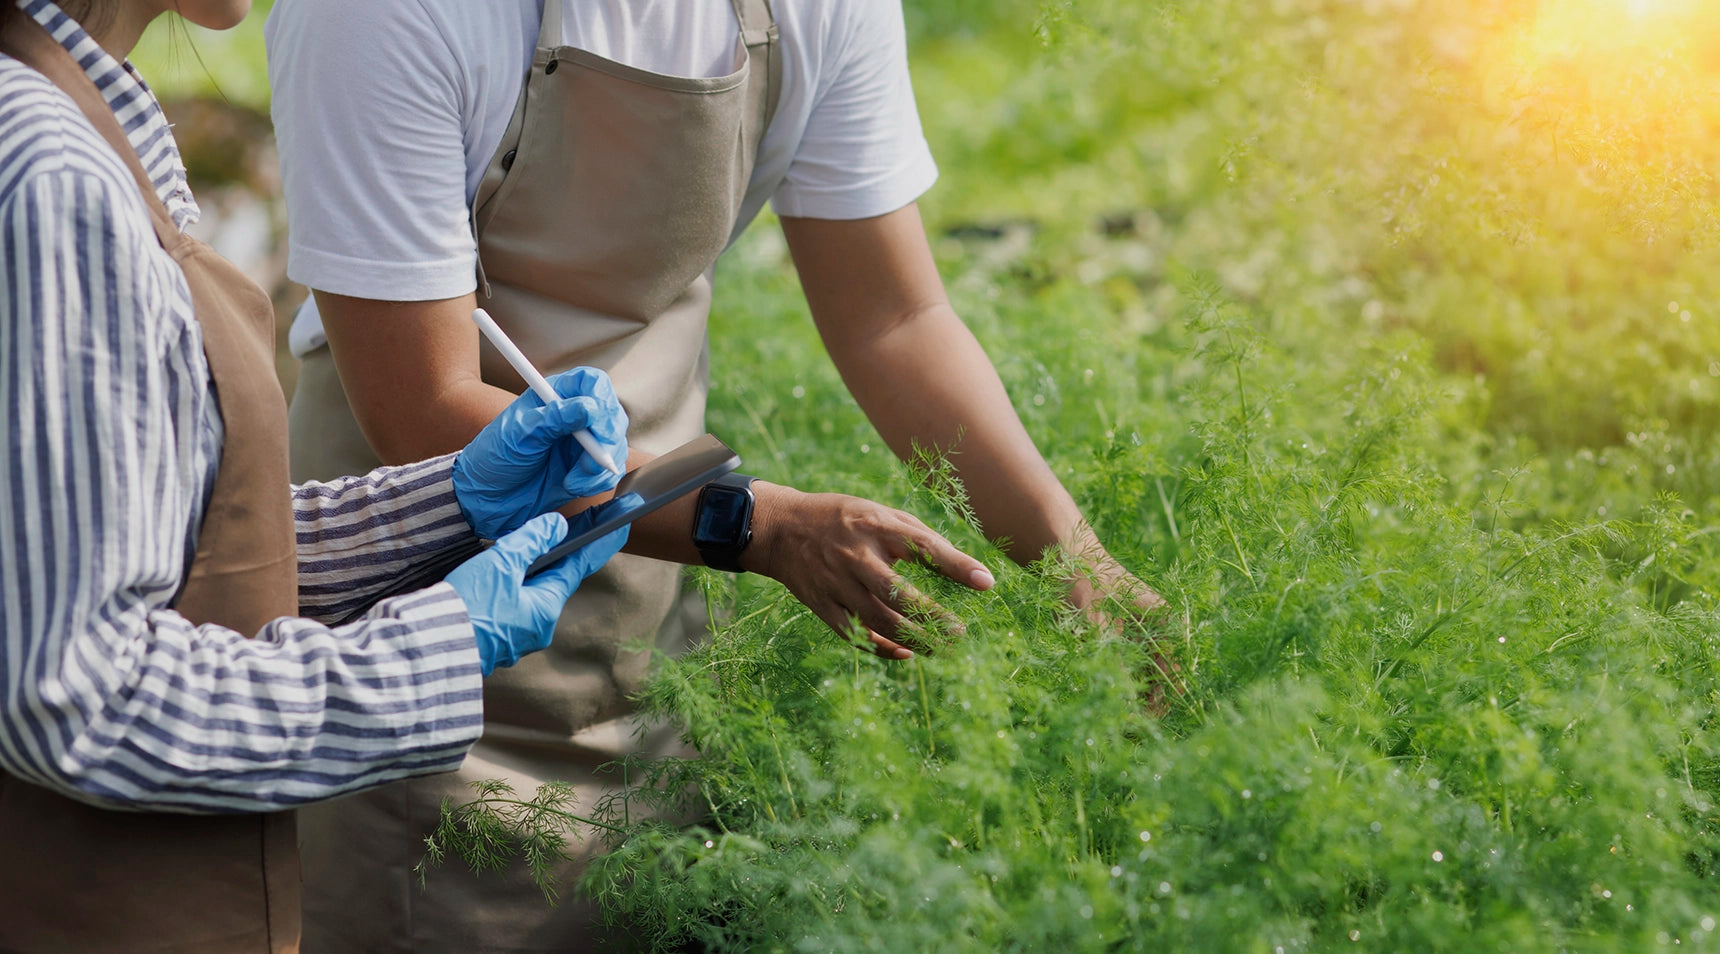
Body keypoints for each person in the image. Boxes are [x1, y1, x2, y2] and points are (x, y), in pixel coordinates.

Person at [265, 0, 1170, 948]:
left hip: (658, 627)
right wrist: (757, 524)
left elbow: (894, 320)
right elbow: (426, 406)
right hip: (416, 633)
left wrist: (1078, 566)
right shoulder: (381, 14)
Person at [0, 0, 637, 950]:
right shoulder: (54, 176)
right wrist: (431, 649)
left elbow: (152, 546)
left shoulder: (81, 116)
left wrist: (449, 503)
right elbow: (74, 694)